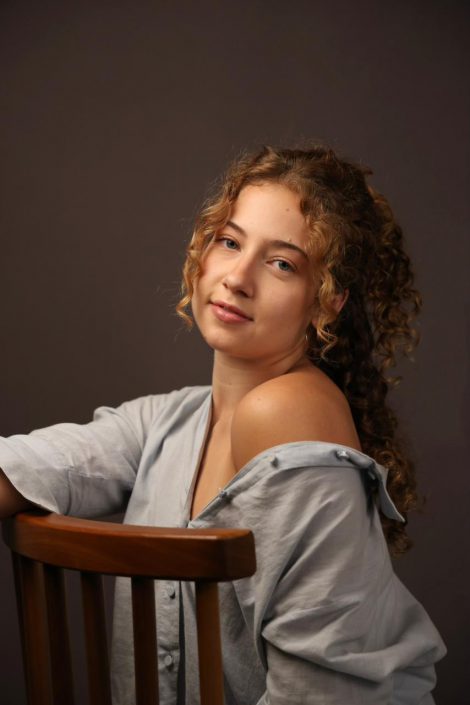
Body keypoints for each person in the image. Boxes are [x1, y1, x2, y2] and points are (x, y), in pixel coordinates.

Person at [0, 144, 446, 704]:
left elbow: (321, 694)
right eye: (230, 242)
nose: (237, 277)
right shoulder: (172, 419)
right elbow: (29, 466)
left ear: (327, 301)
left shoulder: (285, 411)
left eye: (282, 264)